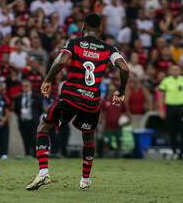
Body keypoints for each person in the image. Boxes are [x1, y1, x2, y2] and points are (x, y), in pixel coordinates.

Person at [25, 13, 129, 190]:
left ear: (83, 27)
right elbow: (125, 68)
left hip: (70, 96)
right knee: (88, 137)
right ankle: (85, 180)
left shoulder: (75, 43)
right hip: (91, 102)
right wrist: (121, 90)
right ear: (100, 29)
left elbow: (61, 61)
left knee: (44, 126)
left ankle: (43, 173)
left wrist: (48, 79)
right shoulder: (109, 49)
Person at [159, 64, 183, 159]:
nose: (175, 71)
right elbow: (161, 96)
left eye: (177, 69)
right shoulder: (166, 81)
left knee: (182, 130)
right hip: (170, 108)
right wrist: (161, 110)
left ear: (180, 71)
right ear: (170, 71)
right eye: (173, 70)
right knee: (172, 131)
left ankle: (181, 151)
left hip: (181, 108)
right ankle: (174, 150)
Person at [14, 80, 43, 157]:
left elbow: (40, 109)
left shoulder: (36, 96)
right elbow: (16, 109)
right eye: (23, 86)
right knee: (25, 138)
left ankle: (35, 155)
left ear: (30, 86)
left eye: (27, 86)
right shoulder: (19, 97)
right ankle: (27, 154)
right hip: (23, 121)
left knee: (33, 138)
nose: (25, 88)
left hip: (32, 121)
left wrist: (35, 117)